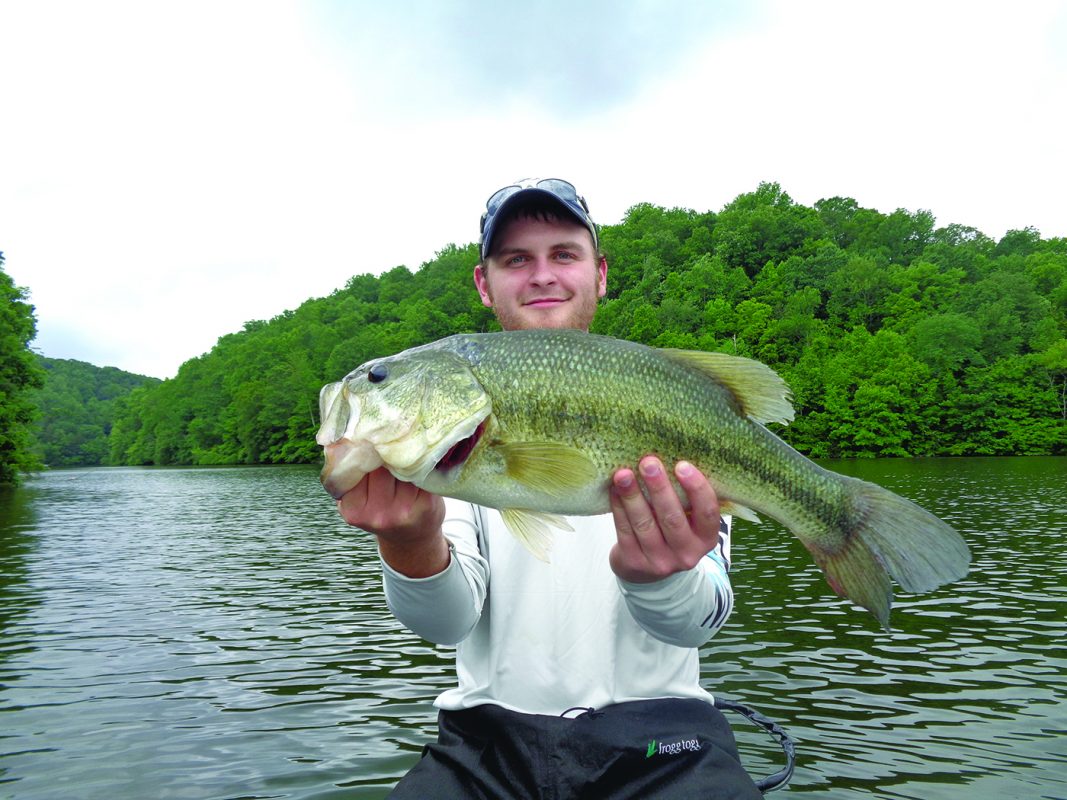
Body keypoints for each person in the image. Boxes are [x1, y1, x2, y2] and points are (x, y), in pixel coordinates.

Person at [337, 178, 762, 799]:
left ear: (600, 273)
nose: (542, 275)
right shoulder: (448, 445)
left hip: (661, 738)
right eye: (516, 259)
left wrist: (662, 579)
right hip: (487, 743)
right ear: (484, 283)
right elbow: (448, 623)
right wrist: (410, 544)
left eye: (564, 254)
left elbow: (699, 621)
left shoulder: (672, 403)